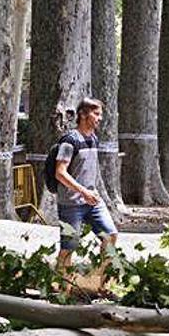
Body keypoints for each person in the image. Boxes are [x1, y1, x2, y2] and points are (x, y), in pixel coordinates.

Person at [54, 98, 118, 293]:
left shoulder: (94, 139)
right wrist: (83, 192)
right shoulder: (69, 141)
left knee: (110, 235)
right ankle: (61, 288)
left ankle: (103, 285)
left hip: (93, 200)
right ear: (83, 114)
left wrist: (92, 193)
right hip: (71, 203)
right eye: (96, 114)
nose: (100, 118)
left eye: (100, 114)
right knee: (69, 247)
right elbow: (60, 173)